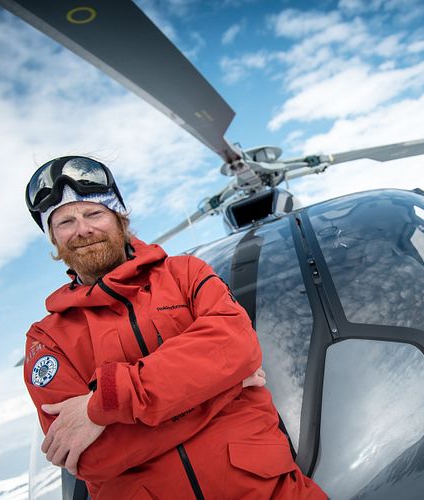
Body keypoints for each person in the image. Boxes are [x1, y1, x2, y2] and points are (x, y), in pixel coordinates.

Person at [24, 155, 327, 499]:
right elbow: (92, 456)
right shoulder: (47, 340)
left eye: (94, 213)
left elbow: (238, 347)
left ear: (119, 218)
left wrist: (103, 405)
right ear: (54, 239)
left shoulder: (186, 274)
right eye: (64, 222)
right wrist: (224, 388)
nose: (82, 230)